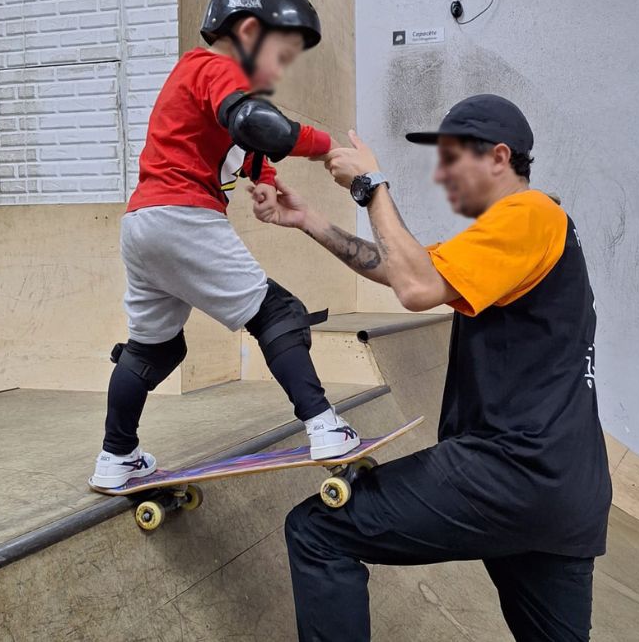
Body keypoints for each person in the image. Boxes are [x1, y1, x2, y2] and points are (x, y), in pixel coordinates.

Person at [252, 94, 612, 641]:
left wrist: (370, 184)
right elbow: (404, 269)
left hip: (507, 471)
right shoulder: (517, 234)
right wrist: (310, 221)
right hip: (566, 493)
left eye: (452, 157)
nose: (441, 174)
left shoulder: (530, 215)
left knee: (318, 531)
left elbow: (416, 288)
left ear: (498, 156)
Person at [89, 0, 360, 489]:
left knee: (154, 348)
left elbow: (241, 147)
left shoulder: (196, 81)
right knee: (277, 312)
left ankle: (116, 456)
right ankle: (325, 426)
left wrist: (266, 180)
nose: (278, 73)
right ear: (250, 32)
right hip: (184, 217)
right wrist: (328, 146)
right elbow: (258, 124)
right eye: (280, 57)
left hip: (143, 225)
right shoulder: (215, 65)